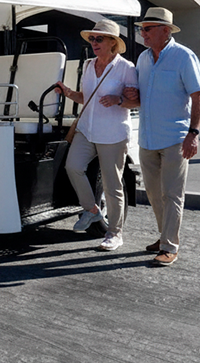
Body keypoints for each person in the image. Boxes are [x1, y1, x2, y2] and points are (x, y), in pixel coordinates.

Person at [123, 7, 200, 267]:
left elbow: (198, 96)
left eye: (147, 29)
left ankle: (170, 246)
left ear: (165, 30)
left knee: (171, 194)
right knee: (153, 193)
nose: (143, 34)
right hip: (147, 139)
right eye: (142, 29)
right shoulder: (143, 59)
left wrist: (193, 133)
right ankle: (164, 236)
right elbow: (140, 96)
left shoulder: (184, 56)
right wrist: (126, 96)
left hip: (175, 138)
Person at [55, 19, 138, 252]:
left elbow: (137, 101)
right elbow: (86, 97)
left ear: (113, 42)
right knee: (73, 166)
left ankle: (115, 234)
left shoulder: (126, 67)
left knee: (112, 186)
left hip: (113, 133)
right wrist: (67, 92)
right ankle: (92, 210)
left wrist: (118, 99)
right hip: (87, 129)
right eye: (92, 38)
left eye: (99, 38)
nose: (94, 42)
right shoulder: (89, 65)